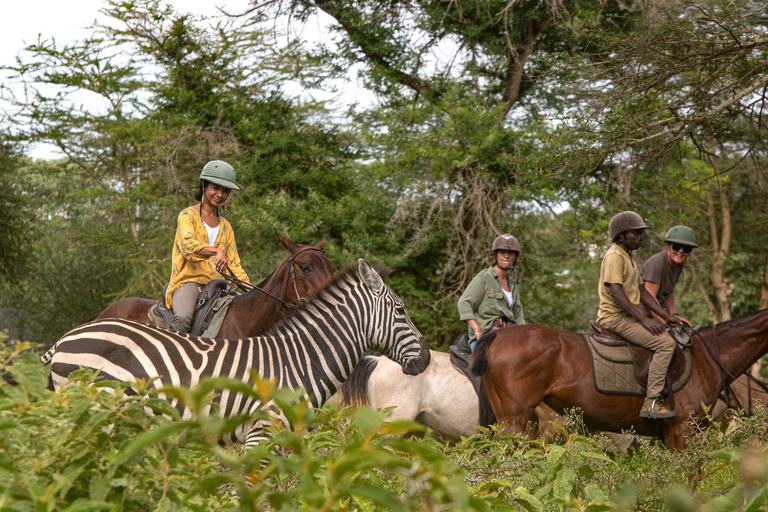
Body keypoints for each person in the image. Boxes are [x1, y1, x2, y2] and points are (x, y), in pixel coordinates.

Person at [597, 211, 682, 420]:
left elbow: (643, 292)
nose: (641, 236)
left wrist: (666, 316)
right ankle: (651, 402)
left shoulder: (629, 256)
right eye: (636, 233)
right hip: (614, 318)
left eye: (641, 233)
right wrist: (643, 319)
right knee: (665, 344)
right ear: (622, 235)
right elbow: (616, 292)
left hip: (629, 316)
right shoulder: (615, 256)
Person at [165, 160, 251, 333]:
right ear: (203, 185)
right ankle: (175, 355)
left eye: (225, 191)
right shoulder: (187, 216)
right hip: (189, 282)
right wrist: (216, 251)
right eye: (215, 188)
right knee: (183, 318)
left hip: (219, 285)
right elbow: (189, 247)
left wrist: (253, 291)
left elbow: (234, 264)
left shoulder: (226, 226)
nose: (220, 194)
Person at [458, 234, 525, 351]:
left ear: (515, 257)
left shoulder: (513, 285)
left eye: (511, 253)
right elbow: (464, 304)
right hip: (486, 337)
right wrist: (477, 329)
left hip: (508, 337)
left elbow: (519, 318)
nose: (507, 256)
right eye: (502, 252)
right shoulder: (485, 277)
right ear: (495, 255)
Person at [641, 225, 698, 327]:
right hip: (643, 311)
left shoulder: (678, 265)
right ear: (667, 246)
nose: (681, 251)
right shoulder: (657, 262)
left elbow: (668, 294)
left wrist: (674, 315)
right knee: (668, 341)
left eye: (686, 249)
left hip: (658, 311)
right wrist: (664, 321)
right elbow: (649, 298)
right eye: (676, 247)